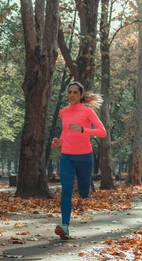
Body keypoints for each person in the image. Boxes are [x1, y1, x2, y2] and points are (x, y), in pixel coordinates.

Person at [51, 81, 107, 240]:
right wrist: (59, 142)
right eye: (69, 92)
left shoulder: (87, 112)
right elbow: (65, 132)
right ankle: (65, 227)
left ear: (81, 95)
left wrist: (83, 130)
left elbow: (102, 132)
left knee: (83, 192)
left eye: (75, 92)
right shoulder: (63, 112)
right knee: (66, 190)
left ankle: (85, 189)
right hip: (67, 156)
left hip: (84, 157)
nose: (72, 95)